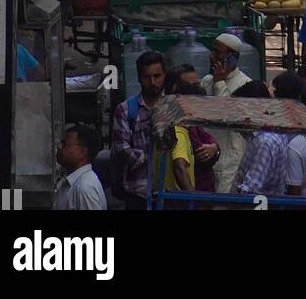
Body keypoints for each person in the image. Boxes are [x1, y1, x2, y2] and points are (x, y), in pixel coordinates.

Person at [111, 50, 166, 209]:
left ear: (164, 75)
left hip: (169, 194)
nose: (153, 82)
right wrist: (155, 159)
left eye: (157, 76)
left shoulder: (174, 107)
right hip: (138, 195)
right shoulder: (126, 110)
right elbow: (121, 149)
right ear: (139, 78)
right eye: (147, 77)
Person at [200, 32, 254, 192]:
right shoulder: (207, 81)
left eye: (217, 52)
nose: (211, 56)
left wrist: (220, 83)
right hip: (205, 157)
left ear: (232, 58)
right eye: (212, 50)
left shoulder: (245, 85)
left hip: (229, 163)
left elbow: (229, 116)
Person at [167, 67, 221, 196]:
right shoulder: (178, 129)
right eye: (190, 86)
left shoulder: (192, 124)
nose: (195, 90)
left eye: (197, 84)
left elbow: (209, 140)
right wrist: (193, 198)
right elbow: (179, 167)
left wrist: (214, 148)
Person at [53, 126, 107, 210]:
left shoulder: (84, 188)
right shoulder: (70, 182)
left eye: (65, 144)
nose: (59, 147)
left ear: (82, 152)